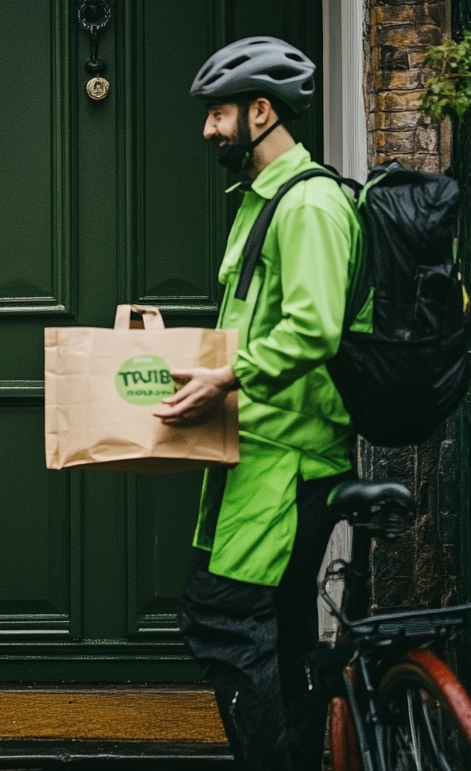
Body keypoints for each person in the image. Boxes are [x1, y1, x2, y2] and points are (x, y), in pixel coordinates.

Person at [156, 37, 367, 771]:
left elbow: (312, 327)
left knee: (221, 618)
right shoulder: (265, 200)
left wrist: (226, 377)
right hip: (255, 449)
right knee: (273, 627)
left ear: (261, 110)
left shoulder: (308, 205)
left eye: (218, 113)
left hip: (287, 457)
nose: (208, 129)